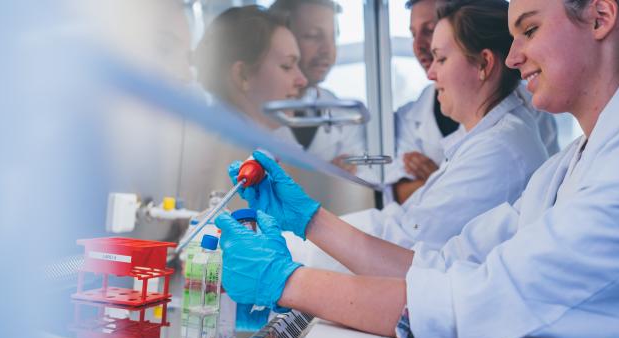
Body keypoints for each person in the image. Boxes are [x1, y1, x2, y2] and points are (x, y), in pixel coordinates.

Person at [216, 0, 619, 338]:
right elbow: (445, 264)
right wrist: (312, 222)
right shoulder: (571, 165)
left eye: (529, 29)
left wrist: (285, 282)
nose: (514, 57)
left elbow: (479, 305)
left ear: (600, 17)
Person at [234, 0, 547, 273]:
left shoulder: (498, 152)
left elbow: (404, 243)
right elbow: (398, 219)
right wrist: (296, 233)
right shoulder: (486, 139)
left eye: (441, 58)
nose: (430, 73)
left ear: (484, 64)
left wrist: (298, 236)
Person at [387, 0, 560, 204]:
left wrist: (440, 183)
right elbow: (394, 189)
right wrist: (441, 182)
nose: (417, 46)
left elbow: (545, 187)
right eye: (413, 34)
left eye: (430, 30)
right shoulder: (415, 114)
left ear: (484, 62)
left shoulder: (505, 139)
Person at [269, 0, 367, 173]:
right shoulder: (252, 114)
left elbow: (365, 182)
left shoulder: (345, 114)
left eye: (334, 37)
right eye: (313, 36)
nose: (328, 50)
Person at [193, 6, 307, 144]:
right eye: (287, 66)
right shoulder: (218, 148)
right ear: (242, 75)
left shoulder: (277, 133)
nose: (303, 81)